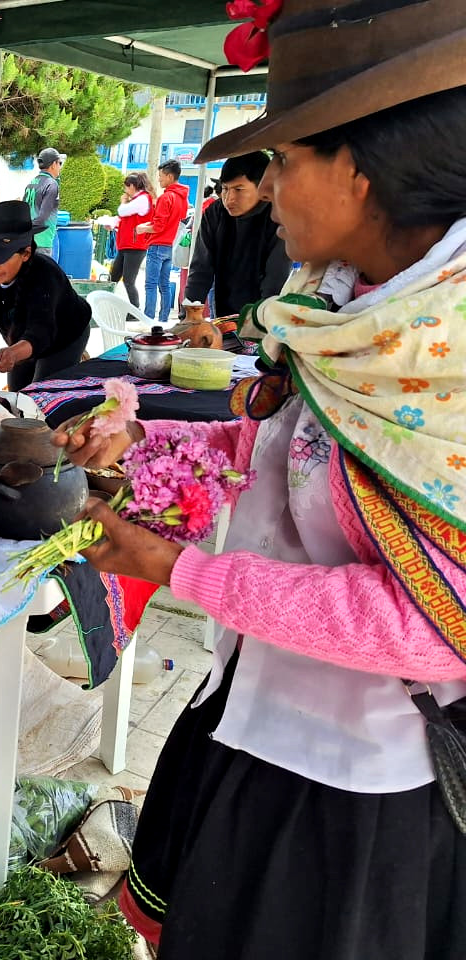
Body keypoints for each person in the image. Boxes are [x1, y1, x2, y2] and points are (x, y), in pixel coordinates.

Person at [56, 3, 466, 956]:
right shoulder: (339, 315)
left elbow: (431, 618)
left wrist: (175, 570)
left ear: (360, 172)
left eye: (284, 161)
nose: (265, 187)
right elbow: (279, 462)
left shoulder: (441, 366)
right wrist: (140, 450)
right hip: (255, 709)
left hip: (362, 784)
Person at [0, 200, 92, 391]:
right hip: (20, 337)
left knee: (40, 394)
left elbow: (41, 333)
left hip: (63, 336)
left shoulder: (45, 274)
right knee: (18, 393)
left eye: (1, 257)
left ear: (26, 253)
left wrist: (12, 354)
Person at [184, 151, 292, 319]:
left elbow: (276, 278)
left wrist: (259, 322)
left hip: (264, 313)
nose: (229, 198)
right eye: (225, 189)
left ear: (262, 187)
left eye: (239, 189)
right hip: (223, 309)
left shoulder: (277, 217)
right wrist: (190, 314)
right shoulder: (214, 213)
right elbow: (200, 268)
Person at [136, 159, 189, 323]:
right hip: (170, 246)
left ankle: (148, 319)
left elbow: (158, 226)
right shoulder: (183, 198)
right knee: (164, 285)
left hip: (157, 245)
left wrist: (143, 228)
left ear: (170, 176)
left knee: (151, 285)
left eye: (161, 176)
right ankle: (163, 319)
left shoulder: (166, 198)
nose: (159, 179)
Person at [108, 174, 153, 309]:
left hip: (135, 246)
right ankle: (107, 304)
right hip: (126, 245)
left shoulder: (143, 199)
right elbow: (125, 218)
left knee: (128, 280)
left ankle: (134, 309)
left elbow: (122, 211)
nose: (125, 191)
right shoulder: (136, 200)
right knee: (113, 276)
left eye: (126, 187)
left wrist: (123, 201)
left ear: (132, 186)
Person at [22, 147, 65, 258]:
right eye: (59, 163)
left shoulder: (32, 183)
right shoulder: (51, 184)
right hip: (42, 241)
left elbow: (22, 210)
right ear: (53, 164)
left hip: (27, 240)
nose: (60, 167)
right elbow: (42, 218)